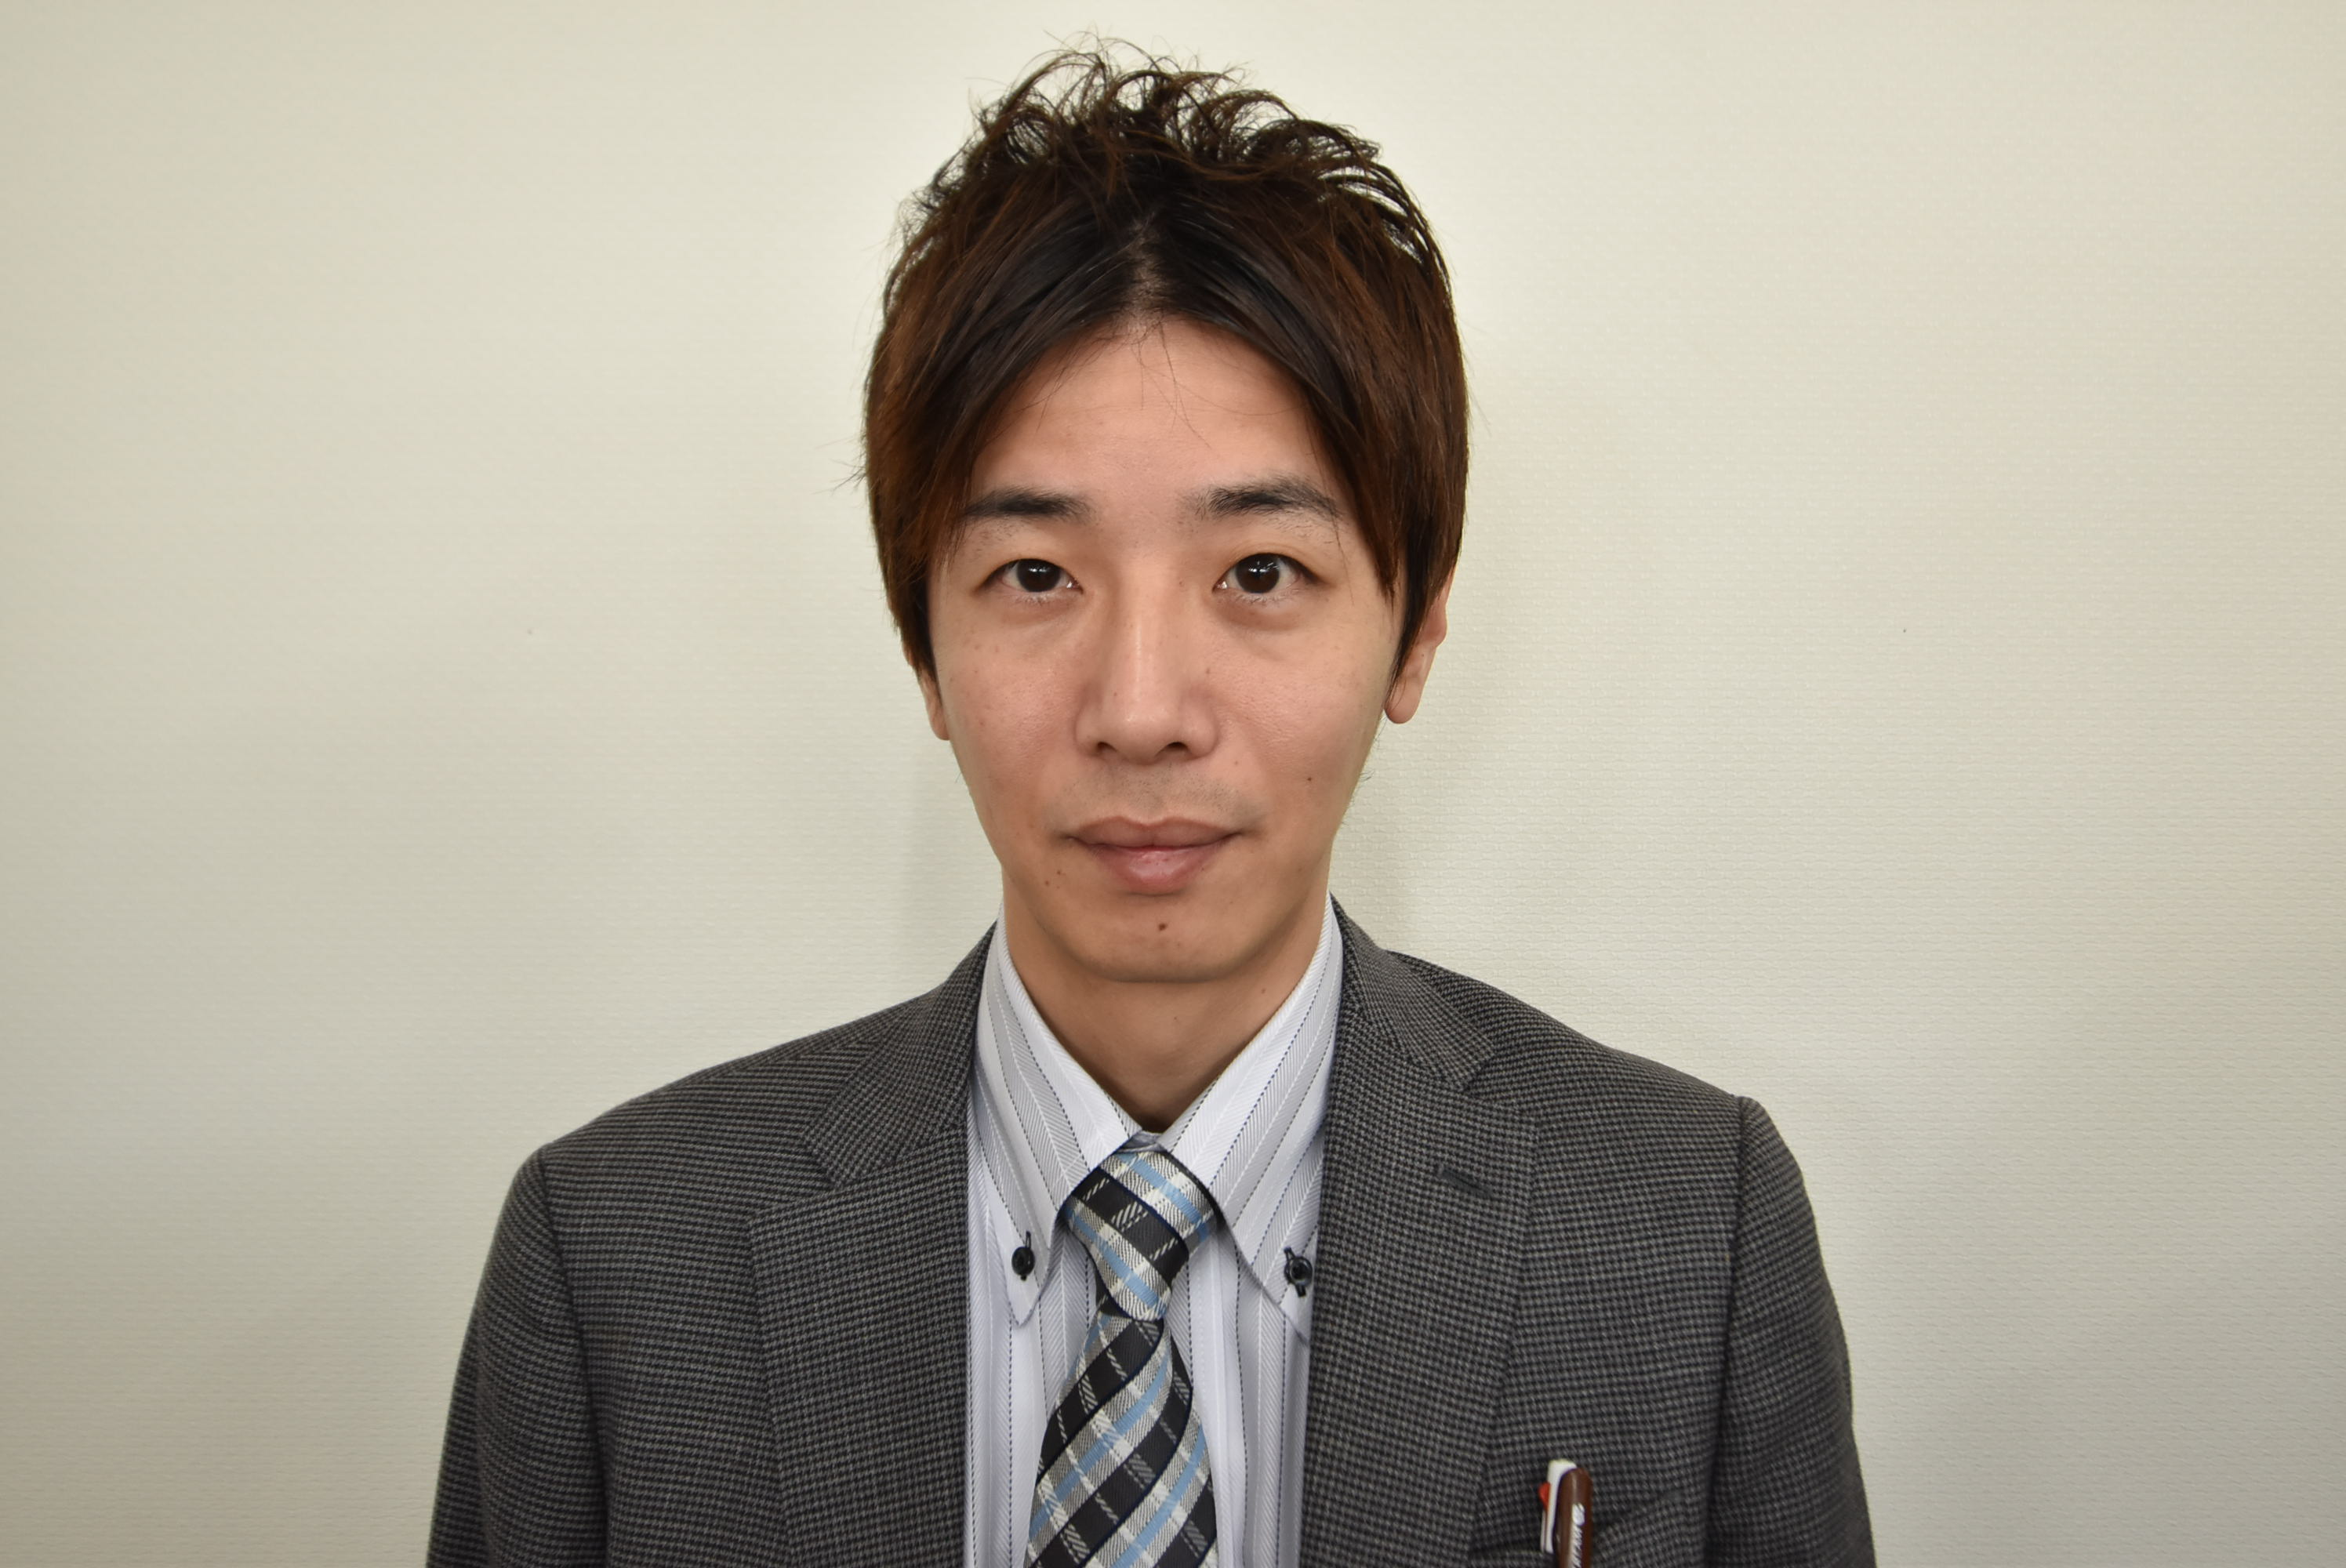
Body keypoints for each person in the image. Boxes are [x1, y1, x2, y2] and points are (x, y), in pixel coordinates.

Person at [428, 48, 1872, 1568]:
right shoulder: (613, 1260)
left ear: (1416, 629)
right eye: (1034, 575)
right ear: (922, 644)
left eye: (1260, 572)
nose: (1139, 708)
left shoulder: (1684, 1227)